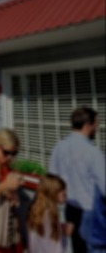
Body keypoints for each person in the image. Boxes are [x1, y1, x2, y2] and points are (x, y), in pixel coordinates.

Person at [48, 106, 106, 253]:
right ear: (87, 126)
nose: (97, 129)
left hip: (69, 209)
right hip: (90, 213)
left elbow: (52, 180)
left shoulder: (59, 147)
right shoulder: (93, 153)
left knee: (77, 248)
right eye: (96, 125)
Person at [27, 174, 74, 253]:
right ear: (52, 193)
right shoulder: (49, 214)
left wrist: (61, 228)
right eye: (61, 191)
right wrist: (62, 230)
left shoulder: (37, 210)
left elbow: (45, 234)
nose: (65, 193)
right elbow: (50, 243)